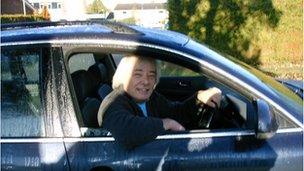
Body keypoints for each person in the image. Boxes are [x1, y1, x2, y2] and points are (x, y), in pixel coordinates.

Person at [97, 55, 222, 149]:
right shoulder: (112, 103)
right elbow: (126, 131)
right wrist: (165, 123)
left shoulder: (151, 98)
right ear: (123, 76)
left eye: (151, 75)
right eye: (138, 74)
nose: (146, 81)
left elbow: (176, 112)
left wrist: (199, 98)